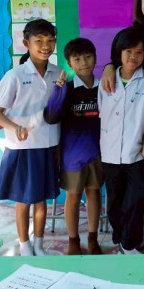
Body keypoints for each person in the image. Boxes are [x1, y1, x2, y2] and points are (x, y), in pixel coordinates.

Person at [0, 19, 61, 256]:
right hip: (22, 148)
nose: (45, 46)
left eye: (50, 40)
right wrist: (15, 127)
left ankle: (39, 245)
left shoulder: (58, 74)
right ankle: (24, 244)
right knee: (24, 199)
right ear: (26, 43)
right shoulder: (15, 76)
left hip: (48, 145)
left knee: (41, 199)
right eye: (39, 41)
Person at [99, 27, 144, 254]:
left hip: (136, 154)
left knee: (135, 200)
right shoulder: (107, 79)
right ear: (119, 53)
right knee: (114, 203)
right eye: (128, 51)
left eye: (139, 52)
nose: (133, 57)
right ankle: (120, 238)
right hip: (110, 153)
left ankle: (128, 244)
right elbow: (101, 115)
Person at [45, 37, 103, 255]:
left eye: (88, 57)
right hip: (72, 154)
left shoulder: (104, 87)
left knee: (94, 194)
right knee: (73, 197)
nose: (84, 63)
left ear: (95, 58)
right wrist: (57, 92)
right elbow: (51, 117)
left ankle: (93, 239)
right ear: (69, 63)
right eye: (77, 59)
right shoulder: (66, 88)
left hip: (98, 151)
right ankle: (73, 240)